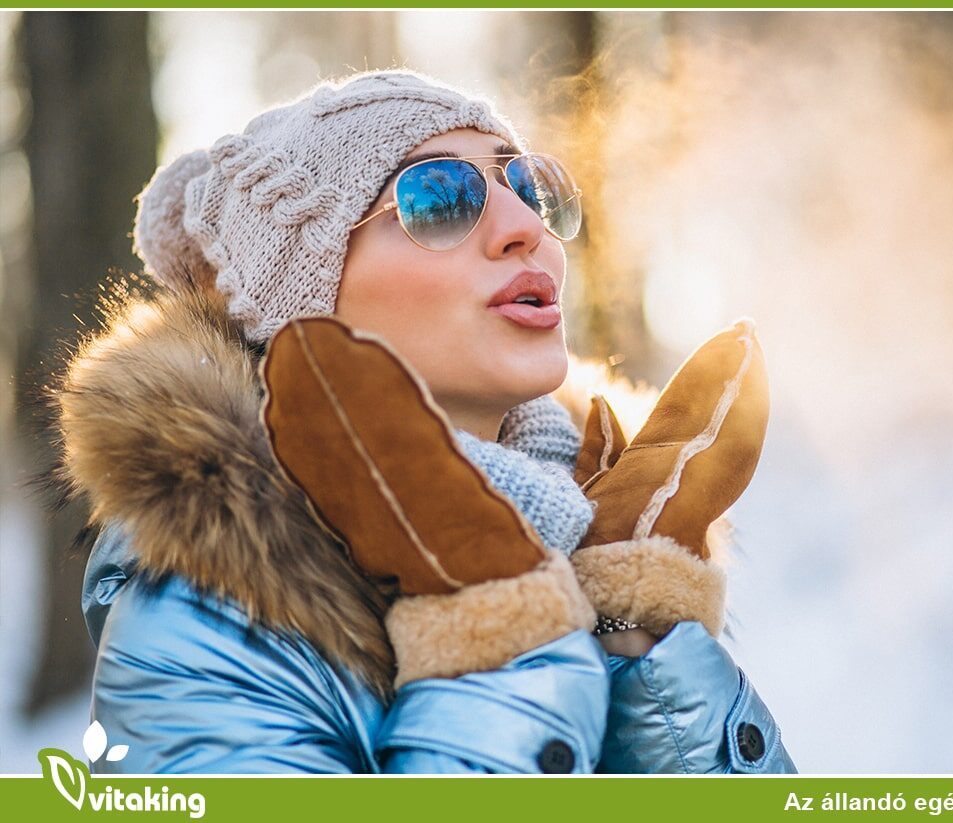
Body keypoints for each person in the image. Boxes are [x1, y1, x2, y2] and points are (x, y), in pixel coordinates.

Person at [54, 69, 797, 774]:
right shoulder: (204, 626)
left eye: (527, 187)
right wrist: (493, 625)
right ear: (304, 307)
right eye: (439, 198)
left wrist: (639, 643)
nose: (523, 229)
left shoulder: (608, 534)